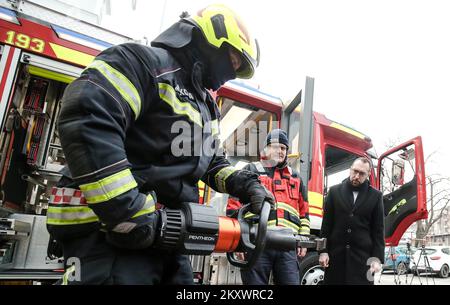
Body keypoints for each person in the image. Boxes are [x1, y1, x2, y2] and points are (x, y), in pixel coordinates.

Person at [46, 4, 274, 285]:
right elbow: (89, 115)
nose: (232, 71)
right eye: (234, 59)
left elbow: (211, 163)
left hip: (164, 237)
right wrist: (129, 211)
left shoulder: (206, 106)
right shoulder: (144, 63)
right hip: (106, 235)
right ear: (212, 38)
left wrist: (245, 183)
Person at [226, 129, 310, 285]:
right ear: (266, 148)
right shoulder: (250, 170)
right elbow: (233, 209)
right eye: (275, 146)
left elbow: (304, 213)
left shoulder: (296, 177)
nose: (280, 151)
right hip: (255, 243)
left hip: (287, 246)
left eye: (283, 148)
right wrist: (237, 244)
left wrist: (303, 241)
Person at [318, 157, 385, 285]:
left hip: (363, 261)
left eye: (362, 174)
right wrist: (323, 252)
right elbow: (326, 226)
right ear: (350, 170)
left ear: (368, 174)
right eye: (355, 171)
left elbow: (378, 230)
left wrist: (376, 259)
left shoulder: (376, 196)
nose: (357, 176)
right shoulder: (334, 192)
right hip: (336, 259)